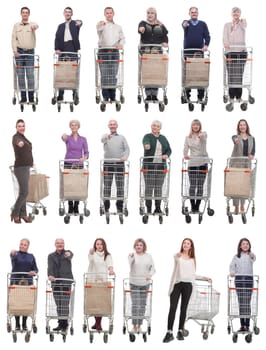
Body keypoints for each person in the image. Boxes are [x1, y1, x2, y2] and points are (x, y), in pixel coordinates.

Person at [163, 238, 211, 342]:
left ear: (191, 246)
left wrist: (205, 278)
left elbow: (192, 275)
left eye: (188, 243)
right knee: (173, 308)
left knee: (183, 309)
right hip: (177, 284)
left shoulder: (192, 260)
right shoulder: (178, 256)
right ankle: (169, 332)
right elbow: (175, 259)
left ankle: (180, 331)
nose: (185, 244)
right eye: (184, 243)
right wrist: (176, 256)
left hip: (188, 286)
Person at [138, 7, 168, 101]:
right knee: (147, 73)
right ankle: (148, 95)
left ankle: (154, 95)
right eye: (148, 13)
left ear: (155, 15)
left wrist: (165, 42)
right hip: (146, 53)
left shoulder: (160, 26)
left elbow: (165, 35)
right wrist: (141, 29)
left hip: (157, 53)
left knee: (155, 73)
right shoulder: (143, 23)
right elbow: (140, 29)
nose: (150, 15)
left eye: (152, 13)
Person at [142, 120, 171, 214]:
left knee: (158, 187)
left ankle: (158, 207)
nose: (155, 127)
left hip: (161, 166)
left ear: (160, 128)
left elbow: (169, 149)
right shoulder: (147, 136)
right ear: (151, 126)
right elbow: (145, 142)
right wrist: (146, 145)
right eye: (153, 125)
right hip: (149, 166)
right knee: (149, 187)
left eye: (157, 126)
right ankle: (149, 208)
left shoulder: (163, 138)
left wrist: (166, 155)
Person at [97, 7, 125, 102]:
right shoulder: (102, 25)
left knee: (113, 74)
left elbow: (123, 38)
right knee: (104, 74)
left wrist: (121, 44)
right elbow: (98, 28)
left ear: (113, 14)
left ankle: (113, 96)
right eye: (107, 13)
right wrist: (100, 24)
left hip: (114, 52)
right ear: (104, 15)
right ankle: (105, 96)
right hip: (103, 52)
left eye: (110, 13)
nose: (109, 14)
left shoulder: (118, 27)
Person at [182, 7, 210, 101]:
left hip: (199, 52)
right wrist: (184, 24)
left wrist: (206, 45)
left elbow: (207, 36)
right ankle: (187, 95)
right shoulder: (187, 23)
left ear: (198, 13)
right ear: (189, 13)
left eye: (195, 12)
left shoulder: (202, 24)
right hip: (188, 52)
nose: (194, 13)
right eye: (192, 12)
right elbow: (184, 24)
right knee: (188, 73)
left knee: (199, 73)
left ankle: (200, 96)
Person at [101, 119, 130, 213]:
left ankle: (120, 206)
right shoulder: (105, 136)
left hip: (119, 164)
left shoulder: (122, 137)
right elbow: (102, 140)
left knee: (120, 186)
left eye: (114, 124)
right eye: (111, 124)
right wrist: (106, 136)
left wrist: (125, 157)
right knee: (107, 186)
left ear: (117, 126)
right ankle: (106, 206)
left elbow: (127, 148)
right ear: (108, 126)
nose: (112, 126)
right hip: (108, 164)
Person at [54, 7, 82, 101]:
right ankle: (60, 95)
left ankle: (75, 94)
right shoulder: (60, 26)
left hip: (72, 48)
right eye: (66, 12)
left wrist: (80, 22)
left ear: (72, 14)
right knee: (61, 72)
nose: (67, 13)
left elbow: (80, 23)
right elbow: (57, 38)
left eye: (69, 12)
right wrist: (56, 49)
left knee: (73, 71)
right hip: (62, 48)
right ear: (63, 13)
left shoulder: (75, 24)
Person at [10, 238, 38, 331]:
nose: (22, 246)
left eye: (24, 244)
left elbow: (36, 269)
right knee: (17, 304)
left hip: (28, 283)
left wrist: (33, 272)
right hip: (16, 282)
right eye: (21, 244)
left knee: (26, 303)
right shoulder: (16, 254)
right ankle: (17, 324)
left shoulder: (31, 256)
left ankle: (24, 324)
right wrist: (12, 253)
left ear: (28, 246)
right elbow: (12, 257)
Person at [12, 7, 38, 103]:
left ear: (29, 14)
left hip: (30, 53)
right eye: (23, 12)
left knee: (30, 75)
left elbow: (36, 25)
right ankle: (23, 98)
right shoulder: (16, 26)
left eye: (27, 12)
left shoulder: (32, 24)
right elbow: (13, 39)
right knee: (21, 75)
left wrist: (35, 27)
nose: (25, 14)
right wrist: (15, 51)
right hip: (19, 53)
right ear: (21, 14)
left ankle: (31, 97)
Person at [62, 119, 89, 214]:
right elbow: (63, 138)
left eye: (75, 125)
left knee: (77, 185)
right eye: (72, 125)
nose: (74, 126)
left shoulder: (83, 139)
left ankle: (76, 206)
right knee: (69, 184)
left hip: (78, 164)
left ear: (78, 127)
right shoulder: (68, 138)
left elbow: (86, 152)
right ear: (70, 127)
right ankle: (70, 206)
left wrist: (84, 157)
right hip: (68, 163)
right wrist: (63, 136)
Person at [128, 238, 155, 332]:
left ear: (144, 247)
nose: (139, 246)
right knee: (135, 305)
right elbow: (130, 264)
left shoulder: (148, 256)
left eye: (141, 245)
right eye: (137, 245)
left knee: (143, 305)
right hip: (134, 283)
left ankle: (139, 325)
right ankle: (134, 325)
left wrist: (150, 275)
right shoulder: (132, 255)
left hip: (145, 284)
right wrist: (131, 257)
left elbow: (153, 269)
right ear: (135, 246)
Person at [88, 238, 114, 331]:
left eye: (101, 244)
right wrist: (91, 253)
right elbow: (90, 261)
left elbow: (110, 264)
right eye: (97, 244)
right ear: (95, 245)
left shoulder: (107, 255)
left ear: (104, 245)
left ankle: (99, 324)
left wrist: (111, 270)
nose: (99, 246)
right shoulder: (92, 254)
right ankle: (96, 322)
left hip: (102, 281)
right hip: (93, 280)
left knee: (101, 302)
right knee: (94, 302)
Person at [48, 238, 74, 332]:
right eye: (58, 243)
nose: (60, 244)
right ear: (55, 244)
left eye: (62, 243)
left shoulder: (68, 253)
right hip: (56, 283)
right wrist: (50, 275)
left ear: (64, 244)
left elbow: (70, 255)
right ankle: (60, 323)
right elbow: (50, 267)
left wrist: (68, 254)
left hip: (66, 282)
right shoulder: (51, 256)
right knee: (58, 304)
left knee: (65, 304)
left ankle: (65, 323)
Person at [229, 238, 255, 332]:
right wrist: (232, 272)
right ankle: (242, 325)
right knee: (241, 302)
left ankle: (247, 325)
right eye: (243, 244)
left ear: (249, 246)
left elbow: (254, 258)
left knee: (247, 303)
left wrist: (252, 255)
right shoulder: (236, 256)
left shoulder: (250, 255)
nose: (245, 245)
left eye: (247, 244)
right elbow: (232, 266)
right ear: (240, 246)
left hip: (248, 280)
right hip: (239, 280)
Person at [183, 119, 208, 213]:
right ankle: (192, 205)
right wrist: (185, 154)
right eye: (194, 125)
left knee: (200, 185)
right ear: (192, 126)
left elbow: (204, 136)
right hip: (192, 163)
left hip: (202, 162)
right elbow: (185, 148)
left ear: (200, 126)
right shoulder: (187, 137)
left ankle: (197, 206)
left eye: (197, 125)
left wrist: (201, 136)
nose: (196, 126)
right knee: (193, 185)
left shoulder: (204, 134)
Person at [11, 119, 33, 224]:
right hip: (20, 168)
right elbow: (18, 143)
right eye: (19, 126)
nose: (21, 127)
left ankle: (23, 214)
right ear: (16, 128)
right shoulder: (16, 137)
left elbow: (26, 151)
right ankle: (15, 214)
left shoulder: (23, 137)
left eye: (23, 126)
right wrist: (19, 143)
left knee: (23, 192)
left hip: (26, 167)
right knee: (25, 192)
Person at [231, 119, 255, 214]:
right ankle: (236, 206)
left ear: (246, 126)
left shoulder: (251, 138)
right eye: (240, 125)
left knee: (244, 185)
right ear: (238, 127)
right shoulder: (236, 137)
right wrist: (235, 140)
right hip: (236, 163)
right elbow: (233, 138)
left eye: (244, 125)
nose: (242, 126)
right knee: (236, 185)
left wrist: (252, 155)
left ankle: (242, 204)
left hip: (246, 164)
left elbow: (253, 150)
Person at [223, 7, 247, 101]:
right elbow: (225, 37)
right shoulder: (227, 25)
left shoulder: (242, 23)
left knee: (239, 74)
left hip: (241, 52)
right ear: (231, 14)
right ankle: (231, 96)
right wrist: (226, 44)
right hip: (230, 52)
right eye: (234, 12)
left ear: (240, 14)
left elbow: (244, 26)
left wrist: (240, 22)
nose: (235, 14)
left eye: (237, 12)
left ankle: (239, 96)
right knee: (231, 75)